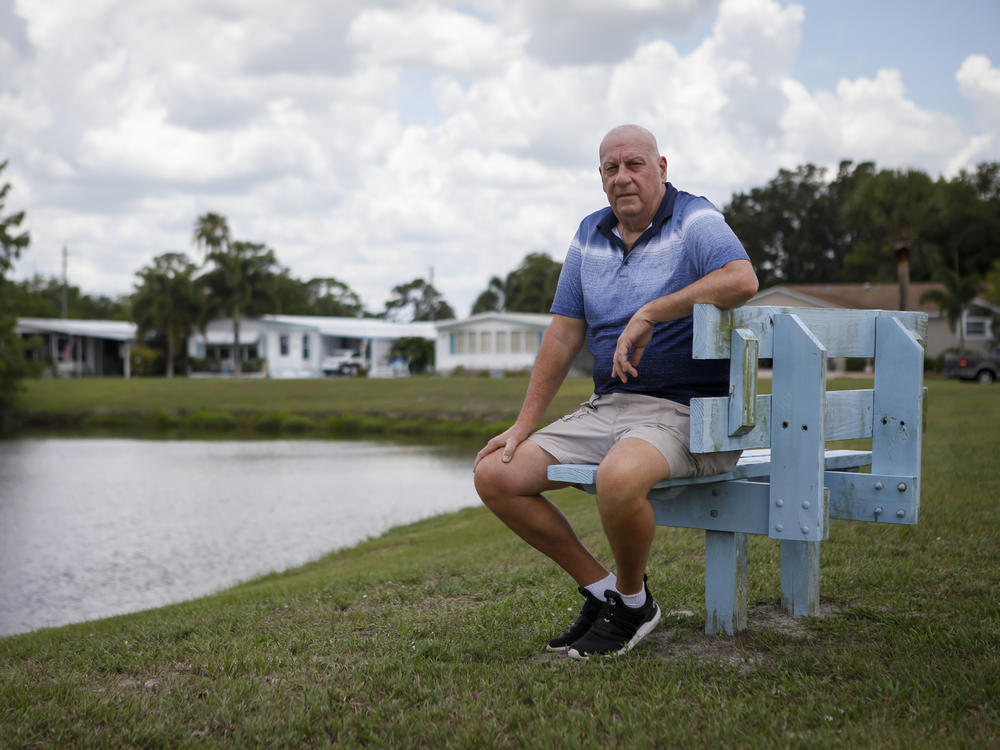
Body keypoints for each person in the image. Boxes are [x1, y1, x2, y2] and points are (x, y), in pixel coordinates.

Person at [473, 124, 759, 660]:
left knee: (618, 477)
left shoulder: (694, 218)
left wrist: (652, 310)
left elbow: (741, 279)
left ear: (662, 168)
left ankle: (631, 602)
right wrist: (522, 424)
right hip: (610, 407)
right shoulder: (589, 233)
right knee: (496, 473)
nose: (622, 177)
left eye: (635, 164)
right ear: (601, 177)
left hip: (690, 412)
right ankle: (609, 593)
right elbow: (563, 333)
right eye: (611, 168)